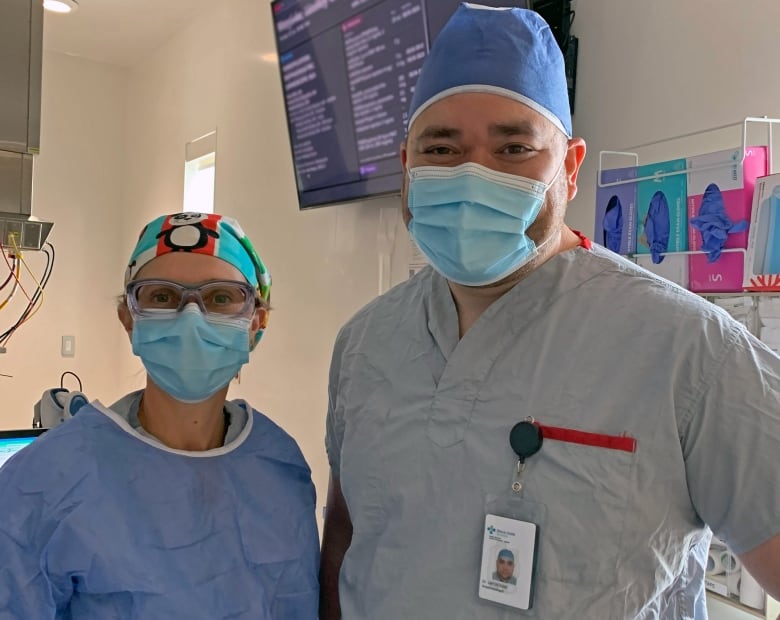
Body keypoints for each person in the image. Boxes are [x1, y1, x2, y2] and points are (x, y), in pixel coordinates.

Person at [319, 4, 780, 619]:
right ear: (407, 164)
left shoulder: (688, 349)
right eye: (442, 147)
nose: (473, 174)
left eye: (513, 148)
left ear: (569, 166)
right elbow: (348, 539)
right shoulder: (365, 343)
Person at [0, 212, 319, 618]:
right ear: (129, 319)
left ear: (256, 322)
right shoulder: (44, 481)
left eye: (221, 298)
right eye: (162, 297)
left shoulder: (279, 465)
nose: (191, 317)